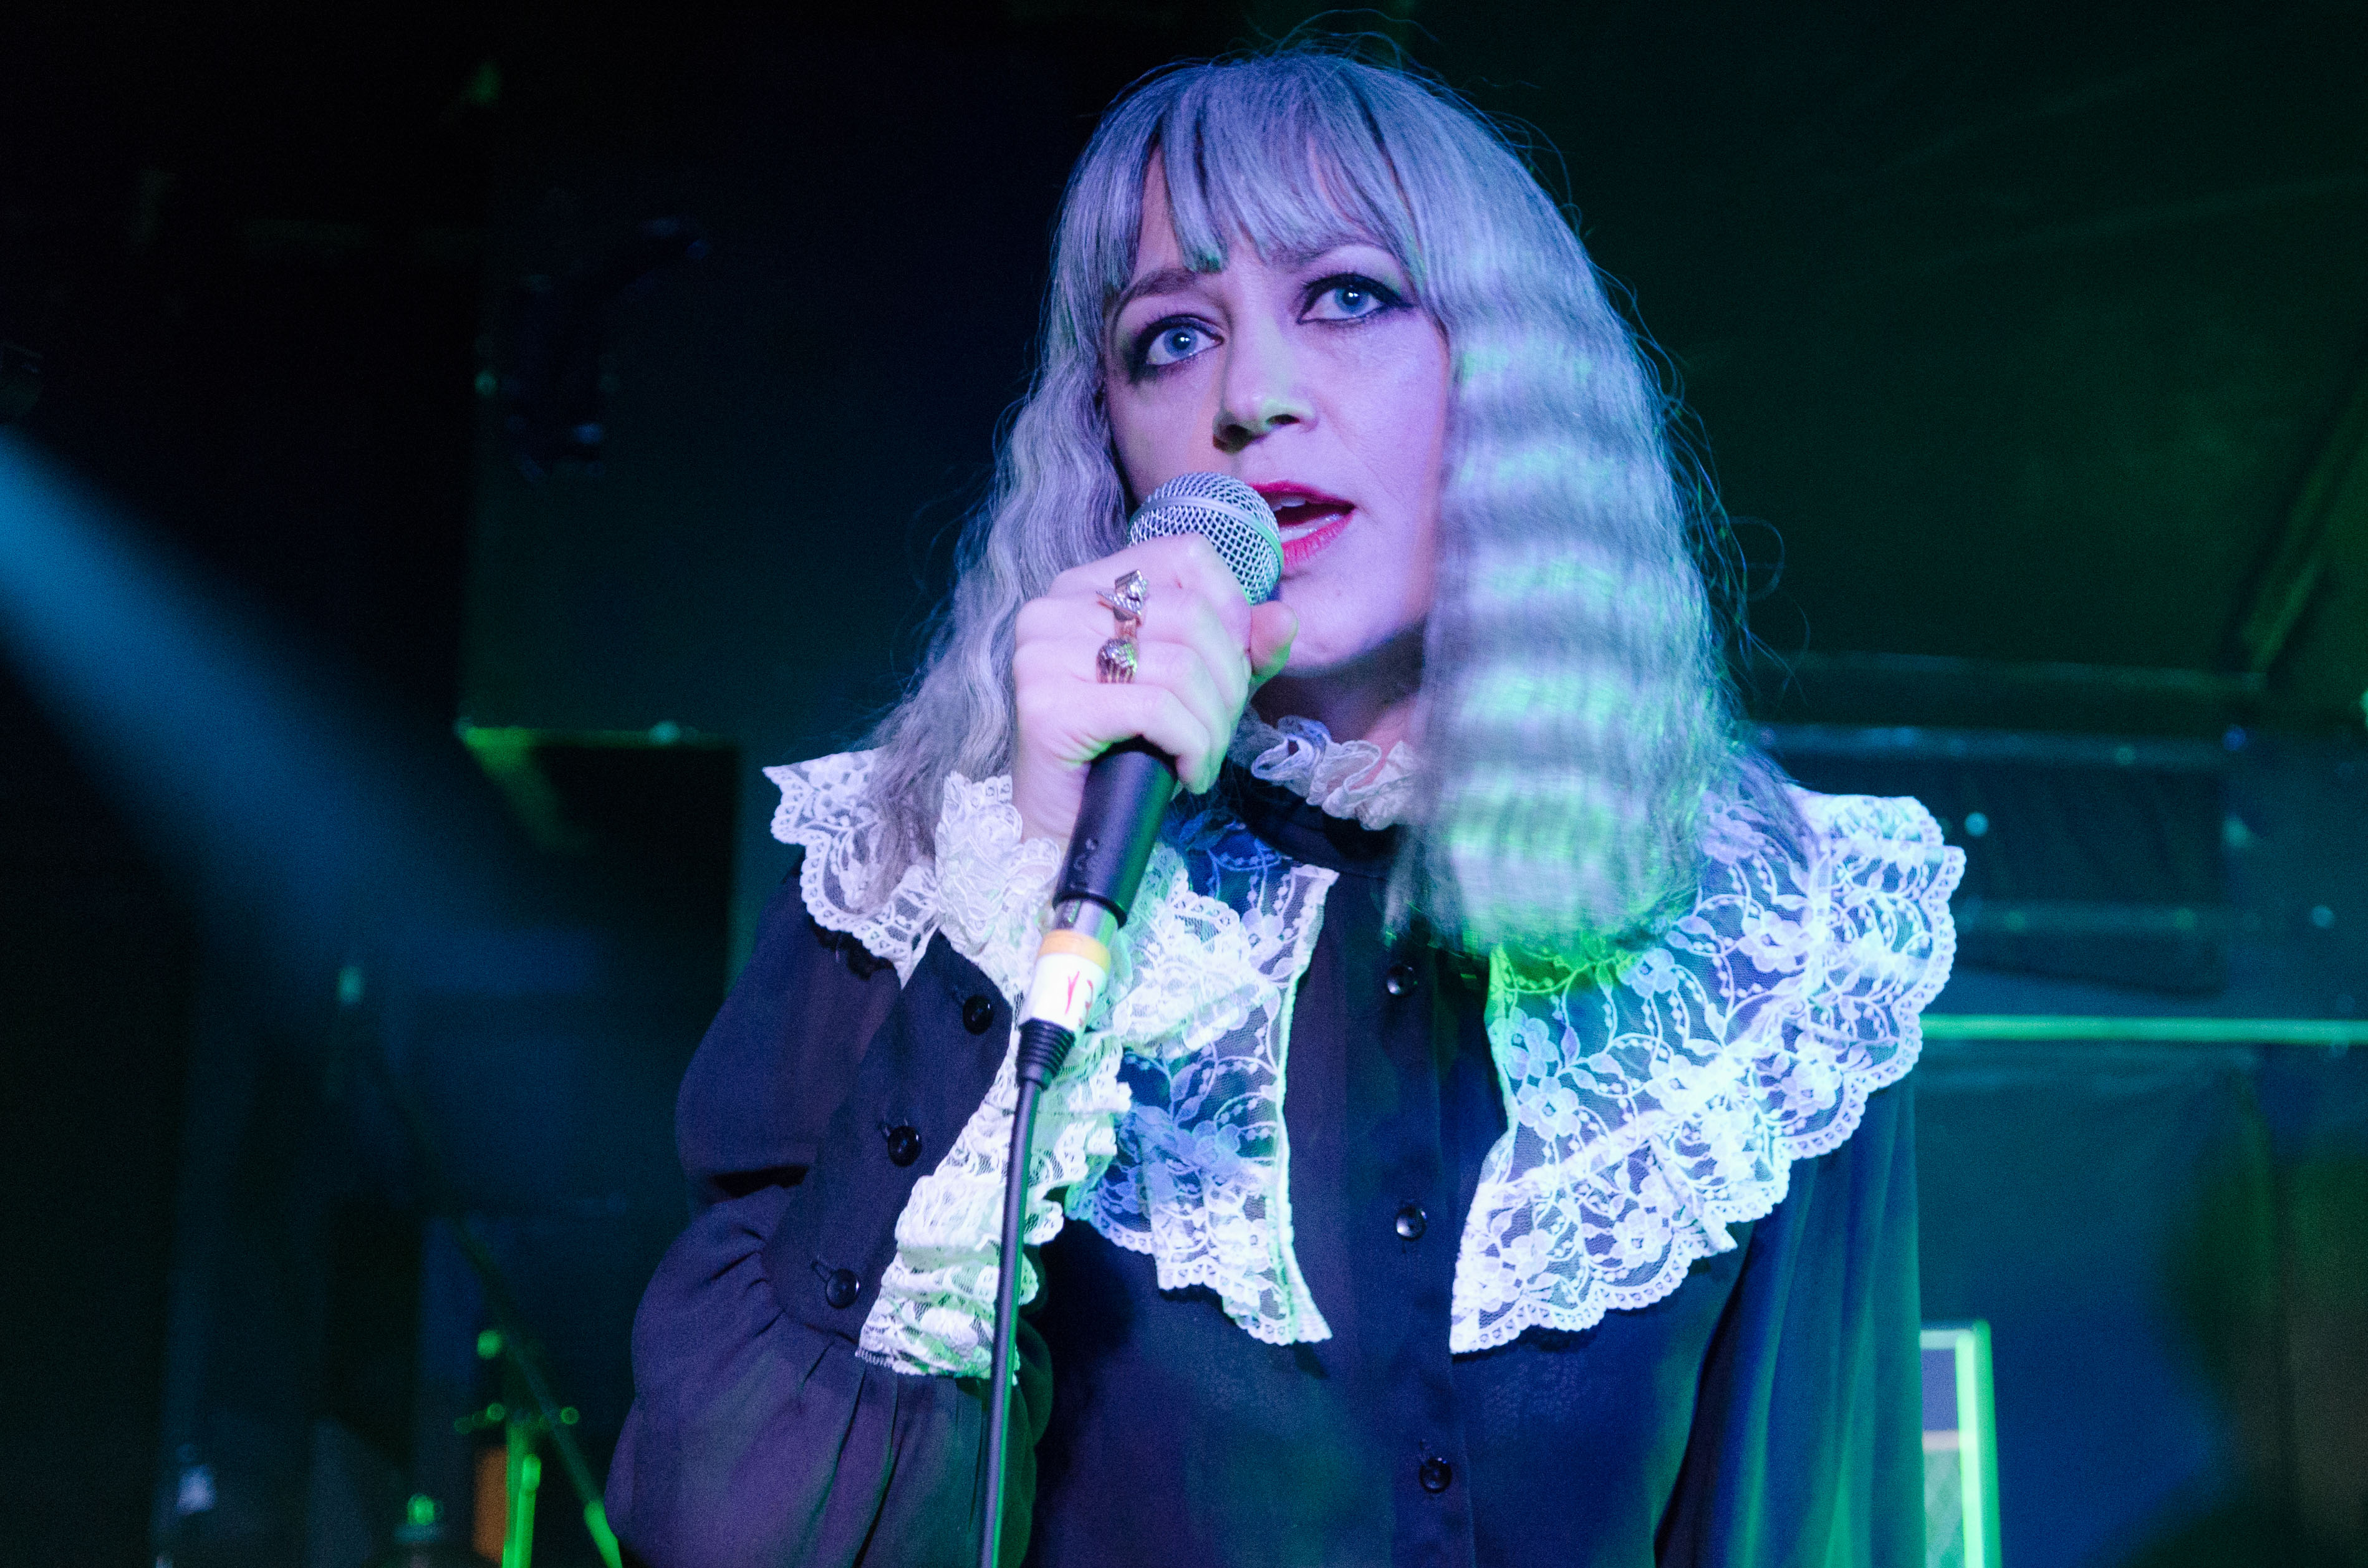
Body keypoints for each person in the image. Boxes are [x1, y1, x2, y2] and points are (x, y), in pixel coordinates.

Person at [605, 47, 1963, 1567]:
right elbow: (726, 1530)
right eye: (1171, 338)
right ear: (1109, 439)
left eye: (1349, 297)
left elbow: (1806, 1524)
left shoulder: (1777, 930)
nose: (1249, 399)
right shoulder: (928, 871)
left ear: (1507, 375)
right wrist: (1031, 870)